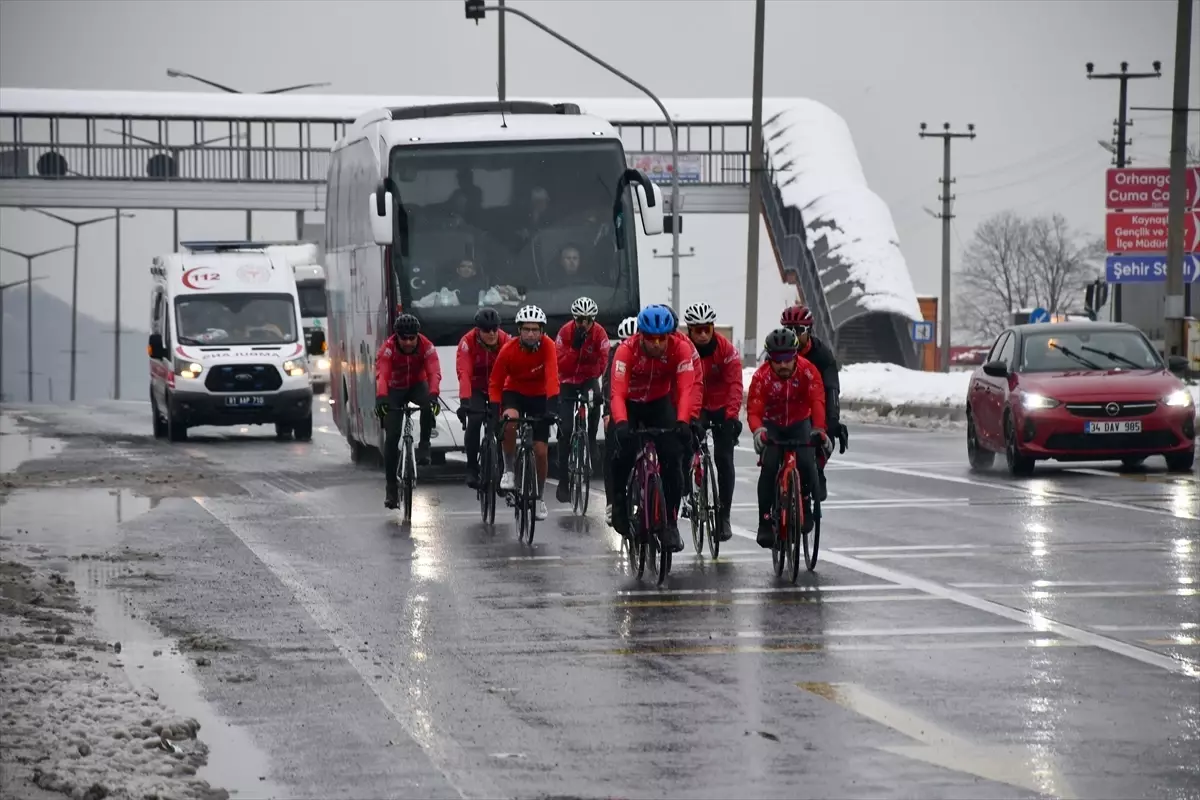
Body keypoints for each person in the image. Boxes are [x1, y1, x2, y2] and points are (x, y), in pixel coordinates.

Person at [608, 304, 700, 553]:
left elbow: (686, 389)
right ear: (641, 336)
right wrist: (621, 423)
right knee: (622, 453)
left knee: (673, 458)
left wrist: (683, 421)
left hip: (659, 404)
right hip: (629, 404)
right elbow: (617, 393)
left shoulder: (680, 348)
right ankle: (618, 505)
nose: (657, 344)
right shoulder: (626, 350)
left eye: (662, 338)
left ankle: (670, 522)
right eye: (651, 338)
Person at [747, 327, 828, 548]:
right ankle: (765, 521)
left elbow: (817, 401)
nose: (783, 365)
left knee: (807, 463)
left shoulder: (808, 371)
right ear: (769, 359)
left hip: (799, 422)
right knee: (769, 466)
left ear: (795, 356)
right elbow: (754, 409)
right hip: (772, 425)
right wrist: (758, 431)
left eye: (787, 359)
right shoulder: (761, 377)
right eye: (777, 360)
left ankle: (806, 504)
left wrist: (819, 429)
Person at [488, 304, 560, 521]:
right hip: (515, 392)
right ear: (519, 330)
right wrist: (495, 414)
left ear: (542, 331)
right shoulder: (508, 350)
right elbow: (495, 383)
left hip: (539, 396)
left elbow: (552, 378)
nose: (530, 334)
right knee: (509, 421)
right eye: (526, 329)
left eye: (535, 329)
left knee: (541, 451)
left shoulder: (548, 346)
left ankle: (539, 498)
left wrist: (552, 409)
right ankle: (509, 470)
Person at [680, 302, 742, 541]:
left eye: (707, 329)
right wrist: (686, 416)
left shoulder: (726, 350)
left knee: (724, 459)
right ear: (690, 331)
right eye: (698, 330)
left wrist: (732, 417)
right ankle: (687, 492)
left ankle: (724, 516)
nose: (704, 335)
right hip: (696, 407)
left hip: (721, 407)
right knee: (684, 445)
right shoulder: (684, 350)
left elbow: (735, 384)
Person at [375, 313, 442, 509]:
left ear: (417, 336)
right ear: (396, 336)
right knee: (392, 436)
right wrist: (382, 397)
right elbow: (382, 375)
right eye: (403, 338)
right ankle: (391, 488)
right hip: (394, 388)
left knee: (428, 404)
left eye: (412, 338)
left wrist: (434, 394)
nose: (408, 342)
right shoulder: (387, 349)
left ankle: (424, 445)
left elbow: (434, 372)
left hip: (416, 385)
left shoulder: (426, 346)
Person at [553, 296, 610, 502]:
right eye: (579, 320)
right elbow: (560, 363)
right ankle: (563, 480)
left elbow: (604, 360)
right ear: (574, 319)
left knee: (596, 400)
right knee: (566, 429)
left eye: (588, 320)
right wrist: (575, 349)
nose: (583, 324)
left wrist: (593, 375)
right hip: (567, 380)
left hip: (588, 379)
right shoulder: (565, 332)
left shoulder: (599, 333)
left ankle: (592, 439)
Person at [781, 304, 847, 468]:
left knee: (815, 464)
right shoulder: (777, 352)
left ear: (809, 330)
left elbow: (831, 389)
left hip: (814, 413)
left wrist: (833, 420)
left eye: (798, 330)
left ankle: (816, 477)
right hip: (785, 412)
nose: (793, 336)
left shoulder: (822, 355)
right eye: (788, 330)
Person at [455, 307, 511, 488]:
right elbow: (464, 373)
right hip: (476, 387)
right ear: (478, 330)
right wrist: (464, 401)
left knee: (502, 424)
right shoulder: (467, 342)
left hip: (499, 386)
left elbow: (512, 371)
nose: (492, 333)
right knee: (475, 420)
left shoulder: (505, 340)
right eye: (487, 330)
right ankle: (472, 467)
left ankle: (502, 468)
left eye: (495, 328)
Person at [600, 315, 637, 525]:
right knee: (612, 452)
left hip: (643, 403)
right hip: (619, 403)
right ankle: (611, 502)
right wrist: (607, 412)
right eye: (625, 341)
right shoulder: (615, 354)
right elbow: (608, 385)